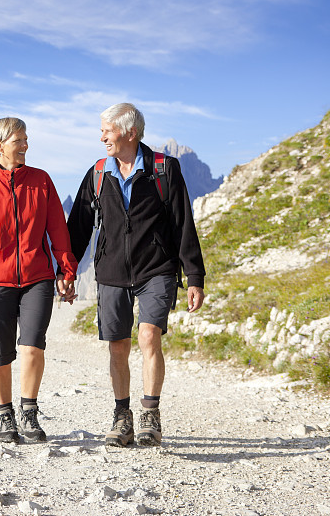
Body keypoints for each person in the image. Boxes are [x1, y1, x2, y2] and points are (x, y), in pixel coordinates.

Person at [67, 103, 205, 447]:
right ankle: (122, 416)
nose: (102, 138)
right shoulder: (99, 173)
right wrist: (66, 270)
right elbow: (79, 227)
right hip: (112, 271)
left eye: (107, 130)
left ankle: (150, 415)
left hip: (156, 269)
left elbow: (182, 224)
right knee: (118, 346)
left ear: (130, 132)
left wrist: (195, 276)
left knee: (148, 337)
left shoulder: (164, 170)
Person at [0, 117, 78, 443]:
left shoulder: (41, 181)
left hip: (37, 278)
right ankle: (4, 415)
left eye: (26, 139)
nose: (25, 145)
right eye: (19, 140)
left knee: (32, 346)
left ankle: (28, 413)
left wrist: (66, 270)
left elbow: (58, 229)